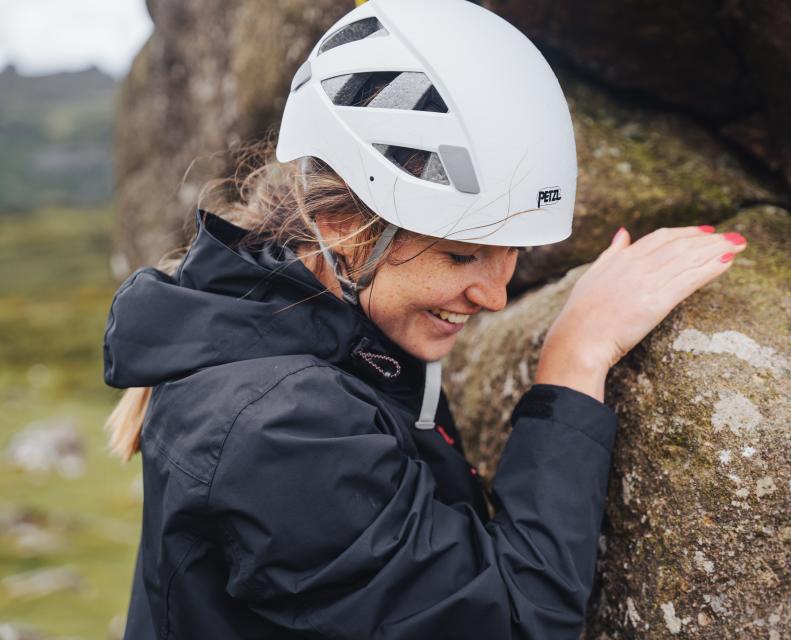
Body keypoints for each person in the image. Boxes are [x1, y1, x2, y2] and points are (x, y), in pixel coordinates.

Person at [103, 0, 747, 638]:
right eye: (461, 253)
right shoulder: (283, 426)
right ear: (344, 228)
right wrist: (574, 360)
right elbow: (515, 623)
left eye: (512, 254)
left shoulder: (287, 327)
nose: (495, 295)